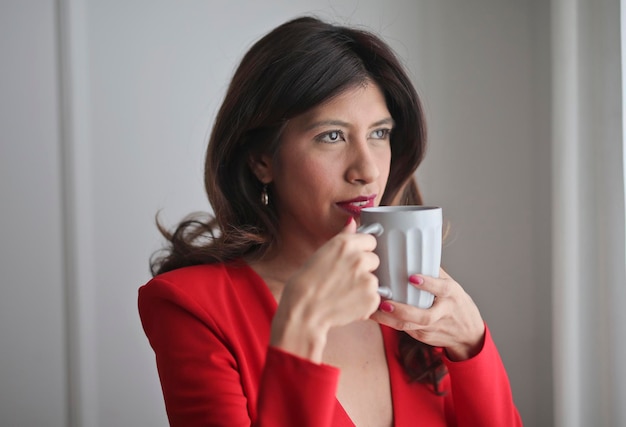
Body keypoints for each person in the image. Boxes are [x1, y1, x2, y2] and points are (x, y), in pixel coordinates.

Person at [138, 16, 523, 427]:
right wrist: (300, 329)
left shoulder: (408, 300)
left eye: (379, 134)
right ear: (261, 160)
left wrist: (471, 343)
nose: (367, 171)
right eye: (332, 136)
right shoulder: (191, 307)